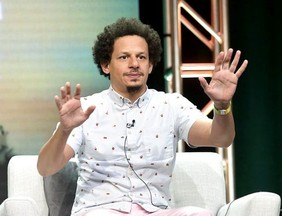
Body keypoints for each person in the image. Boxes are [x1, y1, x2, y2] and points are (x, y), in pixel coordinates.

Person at [37, 17, 248, 216]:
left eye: (141, 57)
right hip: (100, 210)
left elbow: (221, 138)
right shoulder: (86, 110)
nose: (134, 64)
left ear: (151, 65)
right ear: (105, 65)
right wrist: (64, 131)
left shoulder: (172, 105)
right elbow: (46, 168)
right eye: (123, 57)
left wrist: (222, 106)